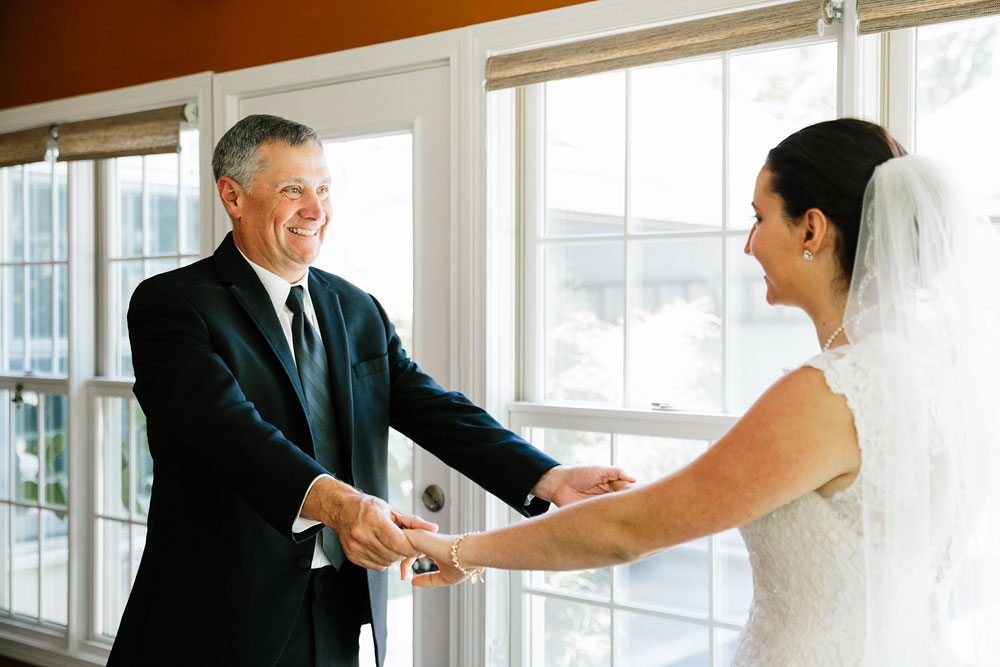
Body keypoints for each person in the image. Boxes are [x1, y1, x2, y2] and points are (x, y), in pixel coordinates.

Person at [405, 119, 1000, 666]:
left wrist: (461, 549)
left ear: (811, 229)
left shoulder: (830, 395)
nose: (748, 245)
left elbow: (627, 532)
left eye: (759, 218)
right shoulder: (940, 374)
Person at [107, 114, 633, 667]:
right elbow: (228, 431)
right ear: (232, 196)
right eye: (293, 190)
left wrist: (546, 477)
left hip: (338, 602)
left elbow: (430, 407)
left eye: (324, 190)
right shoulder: (172, 304)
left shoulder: (355, 307)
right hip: (215, 611)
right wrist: (344, 508)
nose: (317, 210)